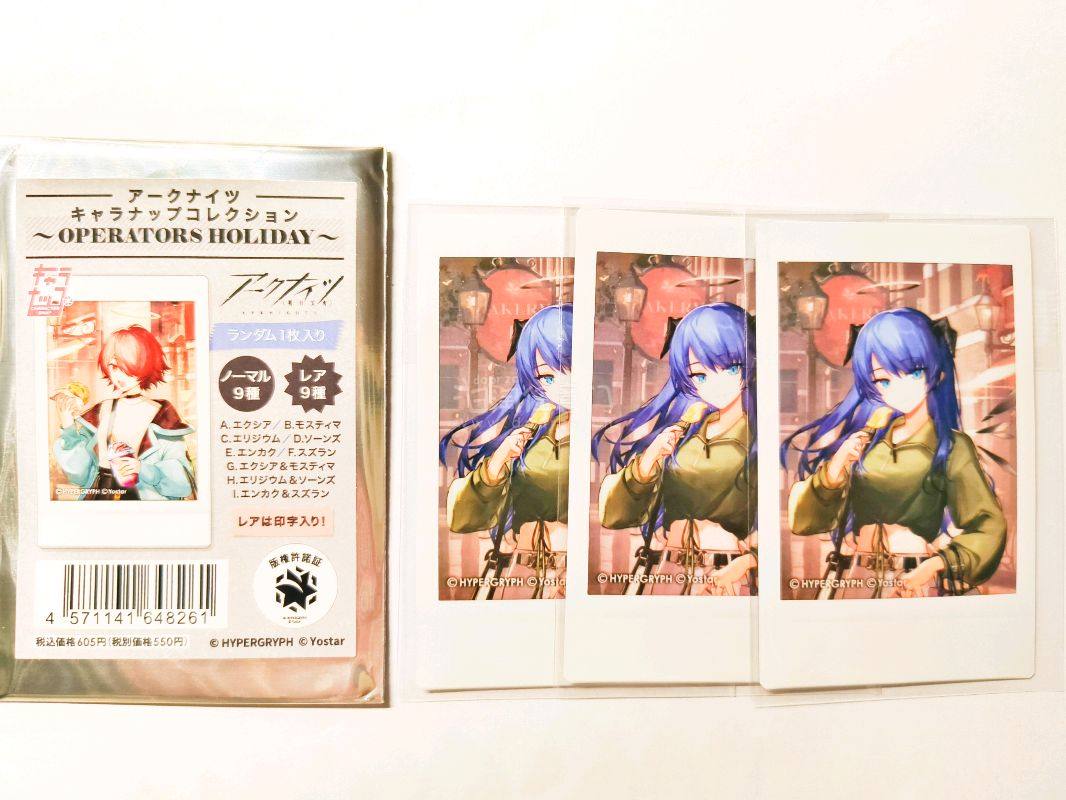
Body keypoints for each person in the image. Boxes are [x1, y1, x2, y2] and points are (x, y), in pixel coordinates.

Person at [782, 307, 1007, 598]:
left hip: (913, 578)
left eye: (913, 372)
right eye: (883, 380)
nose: (898, 389)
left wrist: (937, 564)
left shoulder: (950, 447)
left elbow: (989, 525)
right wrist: (835, 469)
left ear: (936, 372)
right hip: (856, 578)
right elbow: (804, 522)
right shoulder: (866, 441)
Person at [594, 303, 757, 595]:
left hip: (726, 575)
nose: (715, 384)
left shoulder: (755, 438)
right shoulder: (685, 432)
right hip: (668, 572)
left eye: (731, 368)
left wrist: (748, 561)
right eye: (700, 375)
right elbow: (614, 515)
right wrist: (649, 460)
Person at [440, 303, 572, 599]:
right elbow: (463, 517)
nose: (561, 386)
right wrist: (497, 463)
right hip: (519, 574)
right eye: (548, 377)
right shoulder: (533, 428)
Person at [54, 325, 195, 501]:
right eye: (114, 366)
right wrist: (68, 426)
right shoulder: (100, 411)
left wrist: (143, 469)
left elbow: (182, 483)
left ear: (145, 365)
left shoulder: (163, 415)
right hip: (102, 495)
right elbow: (79, 475)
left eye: (128, 367)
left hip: (145, 500)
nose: (119, 376)